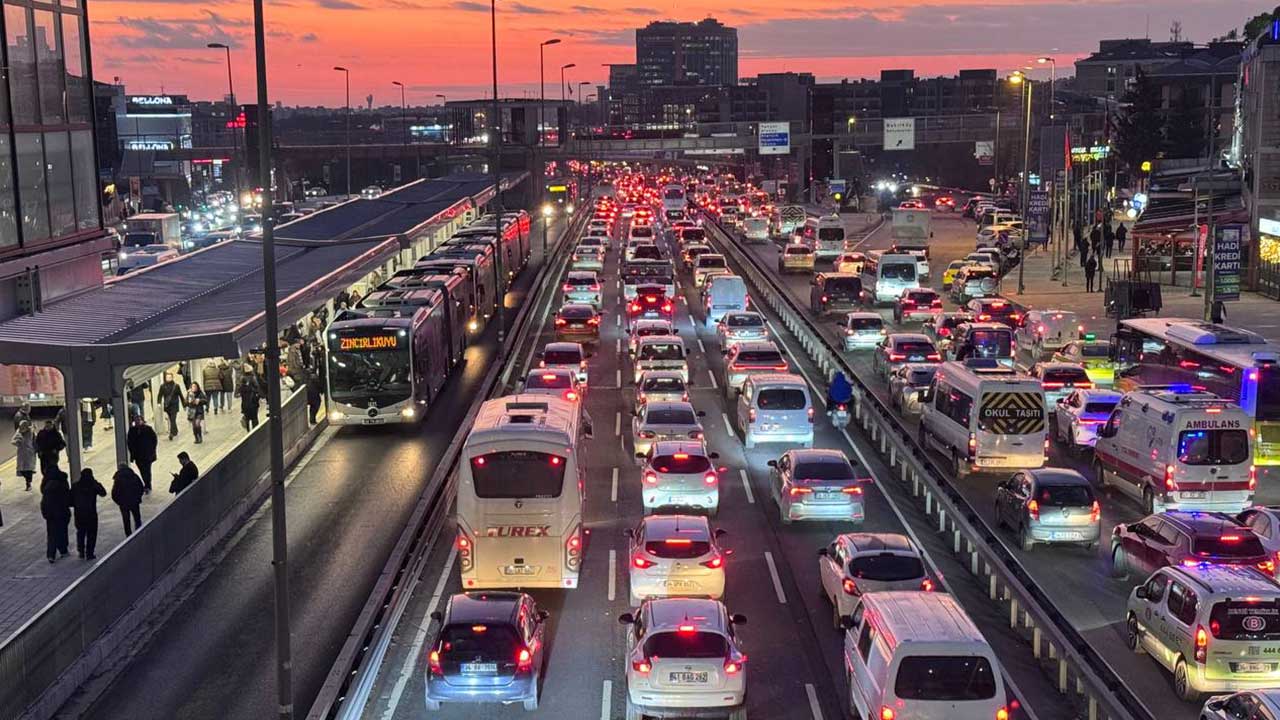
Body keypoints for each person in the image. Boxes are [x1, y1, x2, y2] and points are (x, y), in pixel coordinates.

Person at [71, 468, 106, 560]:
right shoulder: (93, 485)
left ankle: (81, 551)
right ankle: (90, 553)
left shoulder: (75, 486)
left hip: (79, 514)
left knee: (81, 532)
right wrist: (96, 482)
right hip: (91, 513)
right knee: (92, 533)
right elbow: (103, 493)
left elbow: (70, 500)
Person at [40, 467, 72, 563]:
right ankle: (63, 550)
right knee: (62, 531)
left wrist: (45, 514)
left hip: (51, 514)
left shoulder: (46, 487)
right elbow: (67, 497)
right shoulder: (62, 482)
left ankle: (51, 555)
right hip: (62, 512)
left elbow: (44, 503)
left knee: (52, 534)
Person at [111, 463, 145, 536]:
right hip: (134, 502)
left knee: (126, 521)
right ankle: (139, 532)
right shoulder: (134, 476)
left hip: (124, 504)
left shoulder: (118, 479)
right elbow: (141, 488)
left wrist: (119, 502)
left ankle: (128, 536)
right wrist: (138, 498)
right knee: (137, 518)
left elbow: (114, 493)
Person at [126, 416, 159, 493]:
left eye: (139, 420)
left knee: (147, 470)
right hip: (138, 455)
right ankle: (146, 483)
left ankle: (148, 484)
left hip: (147, 455)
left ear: (142, 421)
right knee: (142, 470)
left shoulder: (148, 429)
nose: (137, 422)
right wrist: (132, 453)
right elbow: (129, 443)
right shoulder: (132, 431)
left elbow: (154, 440)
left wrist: (152, 450)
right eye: (136, 421)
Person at [157, 372, 184, 440]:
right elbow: (160, 395)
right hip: (167, 405)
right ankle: (175, 430)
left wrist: (184, 405)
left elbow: (180, 395)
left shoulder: (176, 386)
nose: (168, 378)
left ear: (172, 378)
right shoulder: (162, 386)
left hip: (174, 405)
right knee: (171, 419)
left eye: (169, 377)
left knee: (173, 419)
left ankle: (171, 434)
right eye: (167, 377)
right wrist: (159, 403)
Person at [12, 419, 36, 491]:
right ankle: (27, 481)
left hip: (29, 453)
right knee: (22, 470)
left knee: (28, 469)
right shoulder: (18, 432)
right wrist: (17, 442)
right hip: (21, 453)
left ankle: (28, 483)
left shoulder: (31, 432)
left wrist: (36, 449)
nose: (22, 429)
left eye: (23, 427)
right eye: (21, 427)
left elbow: (35, 441)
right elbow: (12, 441)